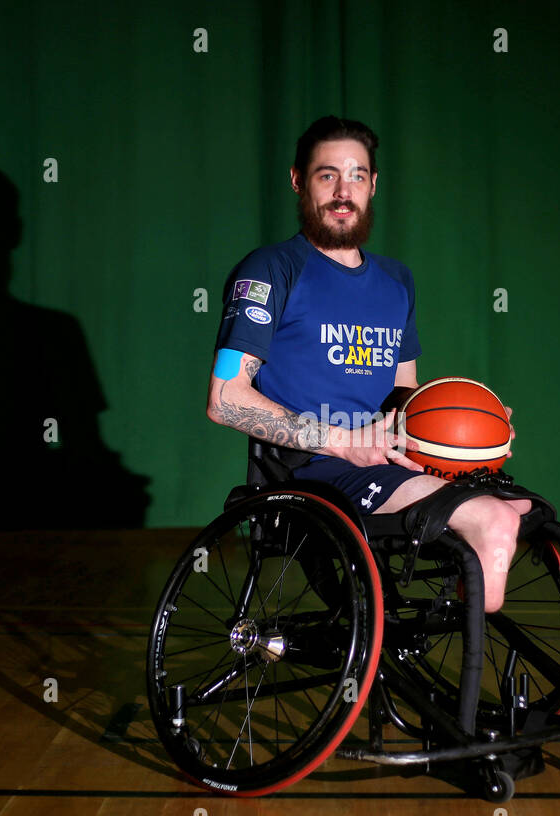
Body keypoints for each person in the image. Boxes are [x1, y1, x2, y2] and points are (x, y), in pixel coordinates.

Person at [207, 116, 529, 612]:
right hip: (311, 472)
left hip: (388, 457)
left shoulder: (396, 280)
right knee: (495, 520)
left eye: (357, 175)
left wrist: (465, 420)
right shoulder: (271, 269)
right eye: (327, 174)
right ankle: (465, 658)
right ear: (298, 180)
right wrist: (343, 441)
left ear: (373, 184)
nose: (343, 191)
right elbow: (226, 399)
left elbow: (405, 393)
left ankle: (451, 639)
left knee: (522, 509)